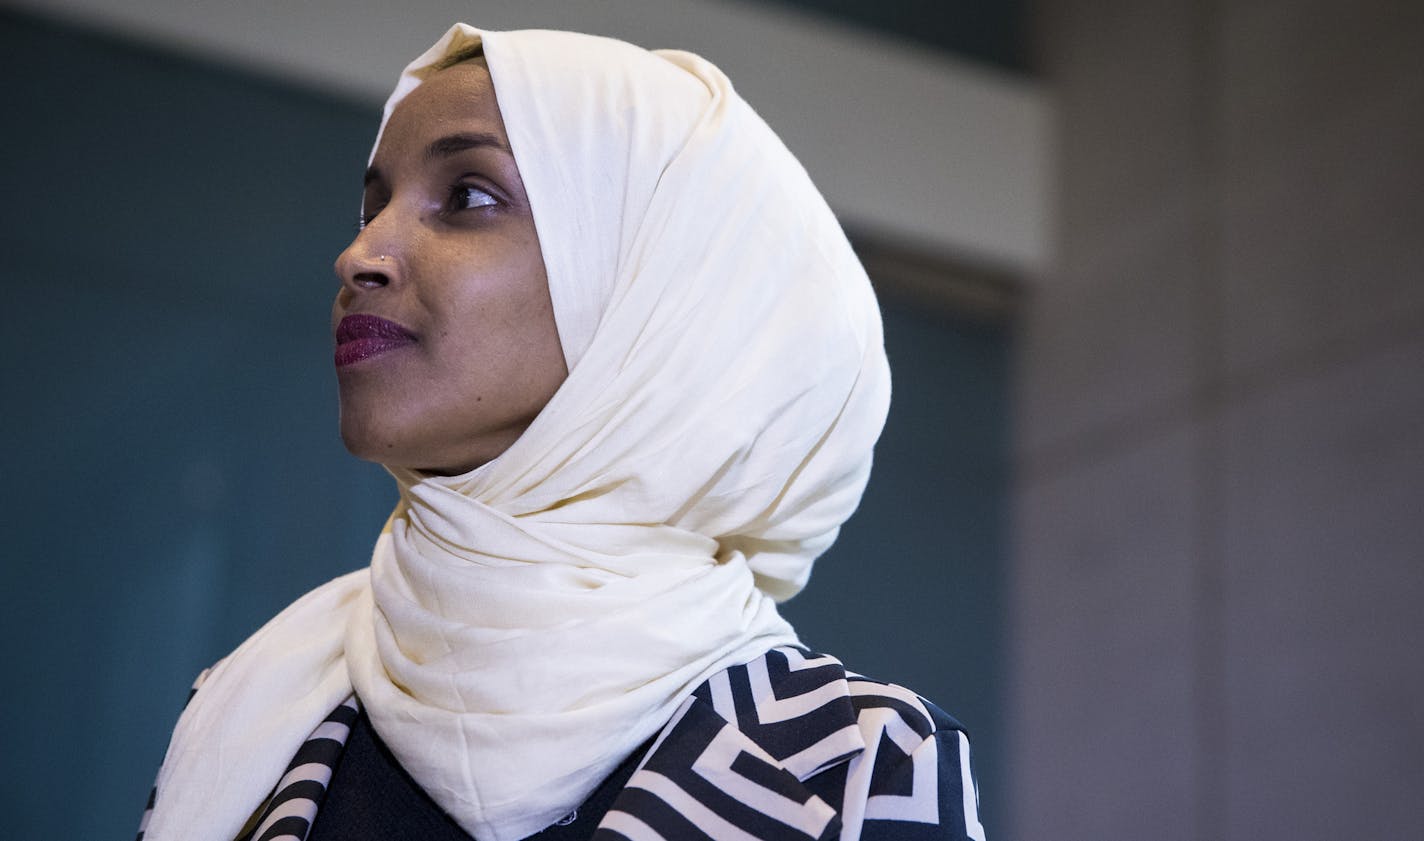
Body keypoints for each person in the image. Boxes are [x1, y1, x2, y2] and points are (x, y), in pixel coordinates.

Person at [137, 24, 986, 841]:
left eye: (467, 196)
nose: (361, 253)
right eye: (374, 204)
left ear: (655, 291)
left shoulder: (852, 771)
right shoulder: (249, 707)